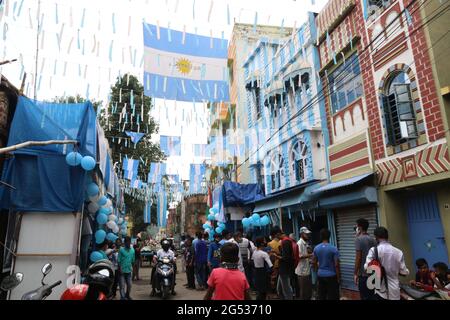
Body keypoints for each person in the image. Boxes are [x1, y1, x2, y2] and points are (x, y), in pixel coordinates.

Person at [364, 227, 409, 300]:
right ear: (387, 236)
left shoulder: (373, 250)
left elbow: (366, 268)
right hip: (395, 291)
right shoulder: (399, 252)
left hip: (380, 291)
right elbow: (404, 272)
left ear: (376, 237)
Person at [313, 229, 340, 300]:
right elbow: (336, 265)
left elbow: (314, 262)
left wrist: (317, 271)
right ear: (329, 237)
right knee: (333, 296)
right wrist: (338, 278)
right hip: (331, 276)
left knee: (321, 296)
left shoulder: (316, 248)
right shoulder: (334, 249)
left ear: (321, 237)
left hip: (320, 275)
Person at [353, 218, 377, 300]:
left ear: (359, 227)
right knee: (373, 297)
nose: (355, 228)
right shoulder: (373, 240)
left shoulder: (358, 239)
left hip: (364, 275)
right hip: (374, 273)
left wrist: (355, 273)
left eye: (356, 226)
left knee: (365, 297)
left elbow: (358, 258)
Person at [272, 226, 296, 300]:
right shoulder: (286, 240)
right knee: (280, 290)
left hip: (285, 270)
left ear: (278, 234)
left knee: (287, 290)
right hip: (283, 269)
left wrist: (276, 255)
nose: (275, 238)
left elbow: (286, 258)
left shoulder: (285, 242)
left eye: (274, 236)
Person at [295, 227, 313, 300]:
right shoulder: (299, 243)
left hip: (307, 270)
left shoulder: (306, 243)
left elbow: (307, 253)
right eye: (306, 234)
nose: (308, 235)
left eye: (308, 234)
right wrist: (311, 255)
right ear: (302, 234)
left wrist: (309, 252)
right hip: (302, 271)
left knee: (308, 291)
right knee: (303, 292)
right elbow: (299, 256)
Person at [268, 227, 281, 296]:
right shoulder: (281, 242)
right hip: (282, 264)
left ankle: (274, 293)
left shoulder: (270, 244)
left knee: (273, 279)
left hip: (274, 264)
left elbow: (270, 256)